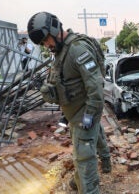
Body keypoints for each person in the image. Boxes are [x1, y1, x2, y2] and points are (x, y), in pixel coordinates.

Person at [27, 12, 111, 193]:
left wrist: (89, 114)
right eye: (43, 43)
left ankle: (87, 188)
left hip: (83, 114)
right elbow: (66, 82)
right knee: (94, 141)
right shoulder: (61, 50)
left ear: (54, 29)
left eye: (46, 40)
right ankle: (98, 166)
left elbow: (95, 85)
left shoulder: (76, 49)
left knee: (84, 158)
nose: (46, 45)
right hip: (75, 113)